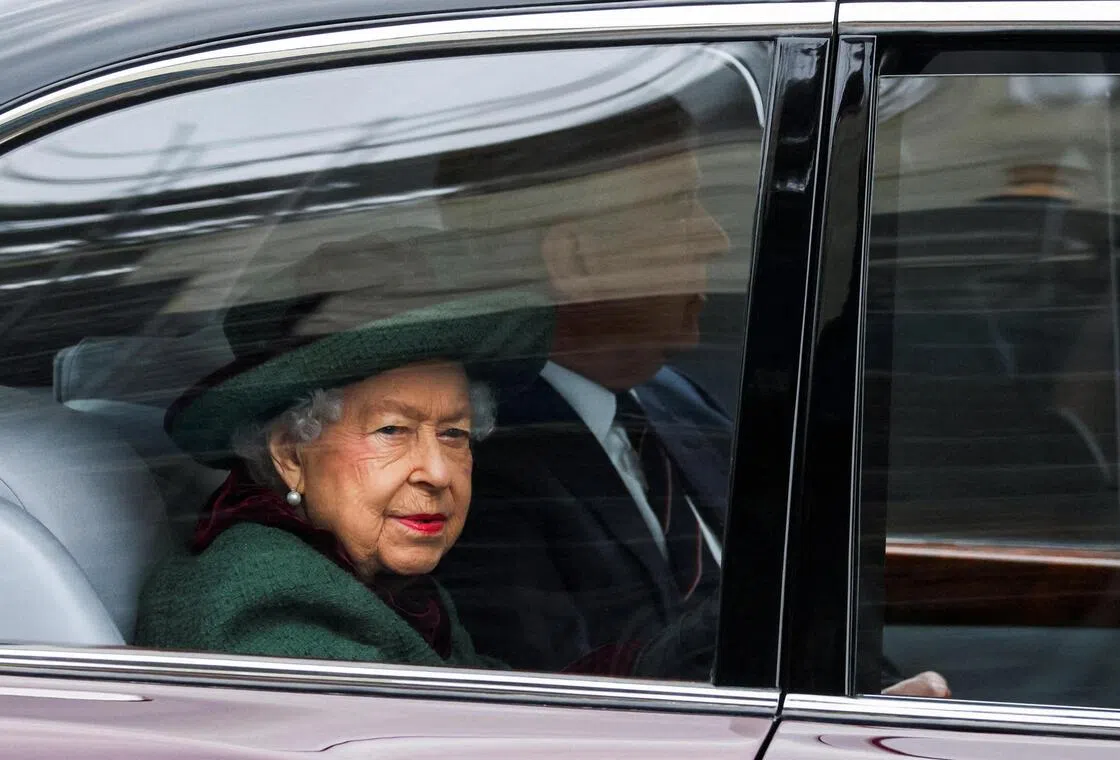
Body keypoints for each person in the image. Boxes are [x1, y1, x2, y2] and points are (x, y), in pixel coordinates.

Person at [432, 96, 950, 696]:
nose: (715, 238)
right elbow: (579, 703)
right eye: (680, 208)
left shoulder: (673, 400)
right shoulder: (479, 463)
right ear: (577, 260)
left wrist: (885, 697)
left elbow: (808, 617)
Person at [135, 234, 553, 667]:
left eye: (453, 433)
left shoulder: (375, 583)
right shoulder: (267, 600)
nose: (437, 472)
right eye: (392, 430)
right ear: (291, 454)